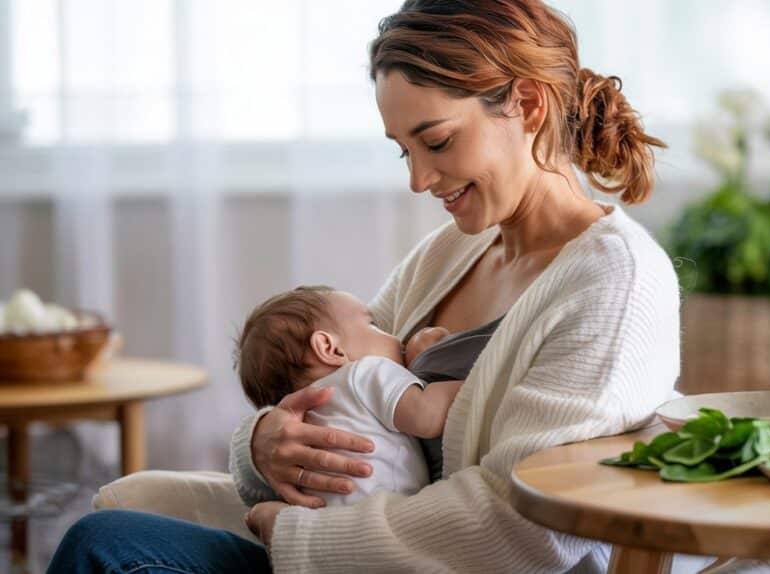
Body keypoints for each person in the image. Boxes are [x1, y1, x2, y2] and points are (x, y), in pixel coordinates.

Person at [48, 1, 680, 572]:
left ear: (529, 105)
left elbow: (530, 524)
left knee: (107, 549)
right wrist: (262, 442)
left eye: (436, 141)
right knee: (111, 532)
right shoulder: (453, 250)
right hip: (364, 540)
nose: (418, 178)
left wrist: (297, 539)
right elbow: (332, 373)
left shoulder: (613, 282)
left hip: (411, 559)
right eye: (403, 150)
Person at [233, 285, 464, 505]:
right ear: (329, 348)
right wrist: (474, 373)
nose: (396, 338)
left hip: (321, 524)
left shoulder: (302, 423)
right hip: (380, 521)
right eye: (373, 326)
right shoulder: (364, 372)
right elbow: (426, 416)